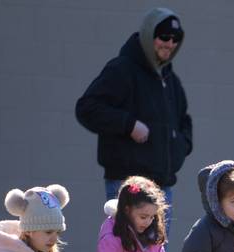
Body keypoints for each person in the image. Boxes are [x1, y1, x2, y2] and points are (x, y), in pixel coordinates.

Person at [75, 8, 192, 234]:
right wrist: (128, 125)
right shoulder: (122, 69)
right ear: (149, 35)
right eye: (164, 37)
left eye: (175, 38)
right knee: (126, 249)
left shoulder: (171, 80)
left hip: (163, 187)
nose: (170, 43)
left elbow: (184, 121)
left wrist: (181, 146)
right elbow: (87, 108)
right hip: (128, 187)